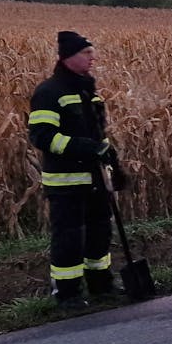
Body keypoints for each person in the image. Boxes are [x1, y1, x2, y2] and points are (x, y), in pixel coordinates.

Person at [27, 30, 123, 309]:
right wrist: (83, 147)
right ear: (68, 57)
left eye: (92, 52)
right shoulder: (49, 92)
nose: (92, 58)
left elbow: (97, 134)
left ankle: (101, 285)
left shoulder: (87, 91)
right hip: (66, 181)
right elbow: (42, 136)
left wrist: (112, 161)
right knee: (69, 237)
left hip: (96, 178)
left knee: (100, 231)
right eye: (86, 53)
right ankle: (67, 294)